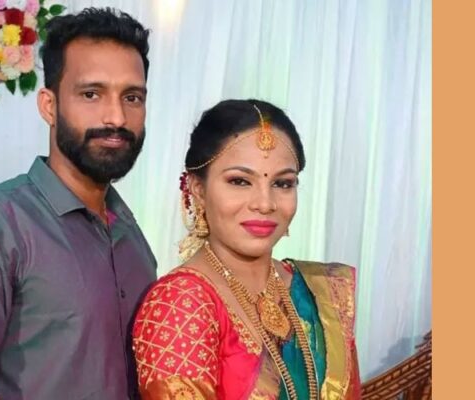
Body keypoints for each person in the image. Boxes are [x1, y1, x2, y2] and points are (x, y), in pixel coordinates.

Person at [0, 8, 156, 399]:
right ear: (49, 105)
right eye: (91, 94)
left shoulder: (133, 240)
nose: (116, 117)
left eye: (132, 97)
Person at [132, 99, 361, 399]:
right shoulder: (180, 303)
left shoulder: (320, 293)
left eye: (283, 184)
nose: (265, 204)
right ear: (198, 189)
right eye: (240, 181)